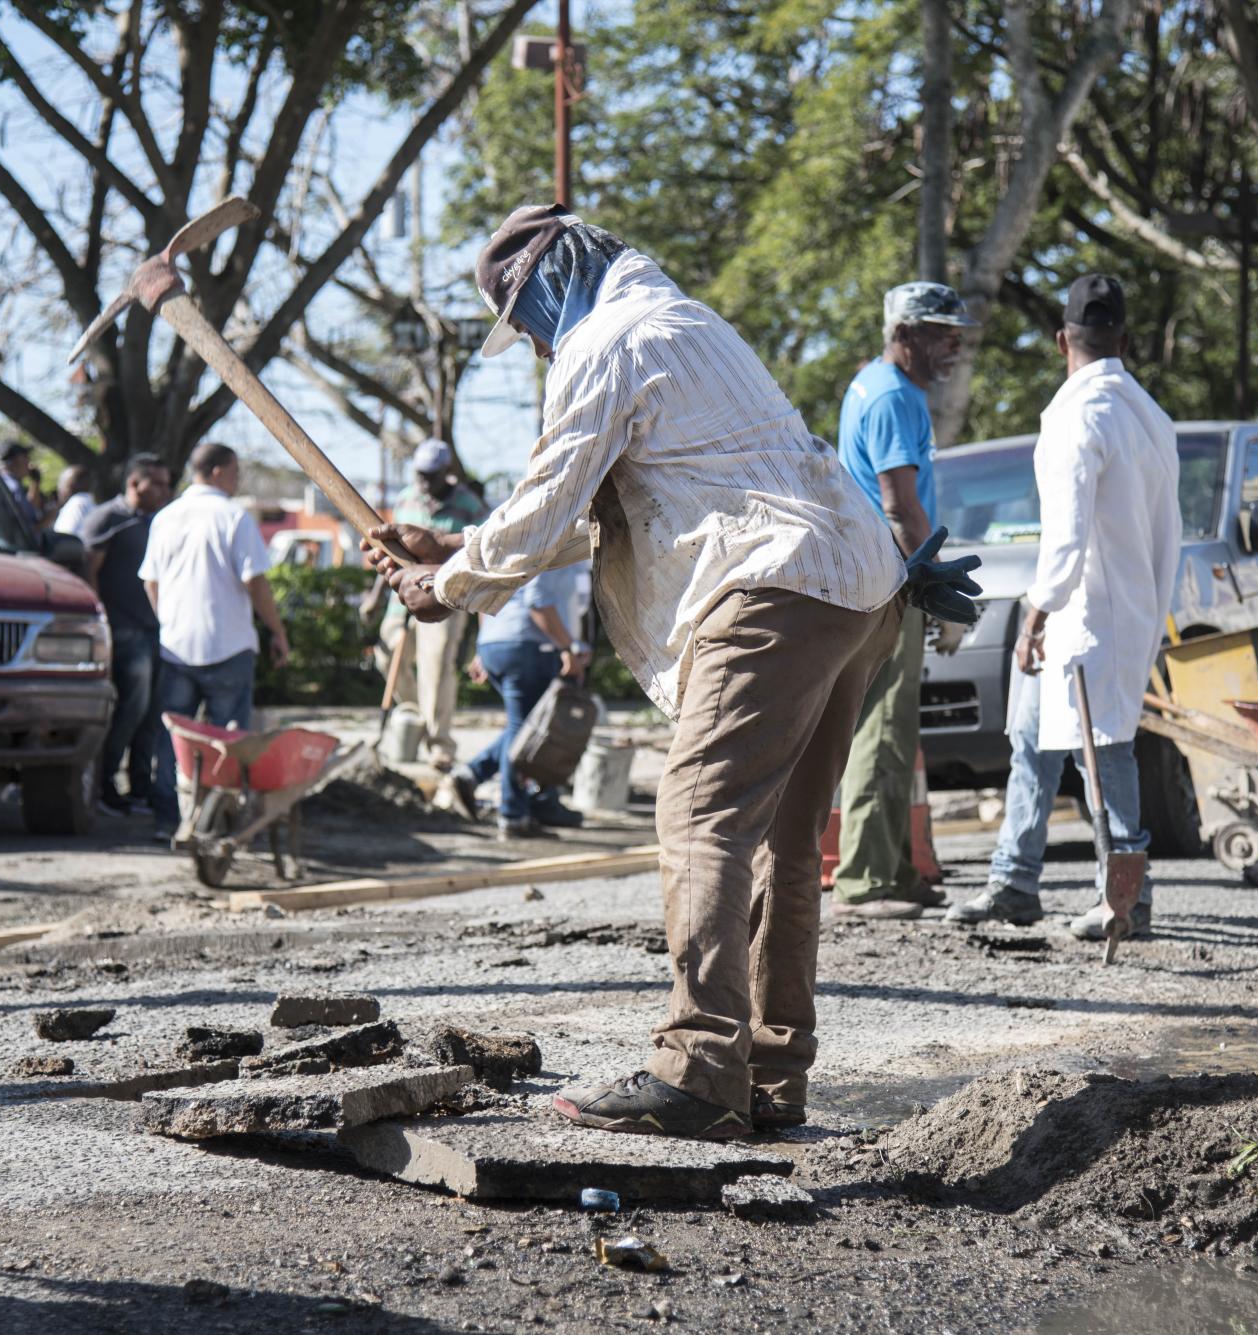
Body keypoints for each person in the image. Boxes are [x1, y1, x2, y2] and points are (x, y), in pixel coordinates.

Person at [367, 204, 973, 1141]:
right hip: (855, 585)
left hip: (774, 581)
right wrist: (452, 548)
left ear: (550, 282)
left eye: (524, 320)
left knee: (698, 812)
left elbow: (542, 502)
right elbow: (617, 501)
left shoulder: (603, 343)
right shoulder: (682, 323)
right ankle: (768, 1076)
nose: (530, 344)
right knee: (780, 840)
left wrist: (443, 585)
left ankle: (696, 1067)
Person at [945, 275, 1180, 940]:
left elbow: (1067, 533)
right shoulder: (1148, 417)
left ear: (1059, 342)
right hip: (1122, 608)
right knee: (1030, 740)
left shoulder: (1078, 417)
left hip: (1082, 613)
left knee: (1104, 754)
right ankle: (1015, 880)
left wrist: (1037, 615)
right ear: (1125, 340)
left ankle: (1128, 898)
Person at [828, 281, 974, 920]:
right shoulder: (891, 396)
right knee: (883, 728)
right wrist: (936, 580)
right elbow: (898, 503)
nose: (955, 347)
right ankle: (864, 878)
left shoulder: (881, 386)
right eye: (945, 334)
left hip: (885, 575)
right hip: (891, 577)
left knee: (894, 727)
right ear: (906, 333)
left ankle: (894, 869)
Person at [140, 443, 292, 843]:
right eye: (235, 470)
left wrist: (167, 622)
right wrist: (276, 631)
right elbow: (255, 581)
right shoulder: (233, 518)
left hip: (176, 646)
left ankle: (169, 817)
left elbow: (150, 582)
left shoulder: (165, 518)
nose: (238, 478)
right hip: (228, 646)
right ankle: (223, 820)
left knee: (175, 739)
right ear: (219, 471)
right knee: (229, 740)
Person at [450, 562, 593, 837]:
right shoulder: (554, 545)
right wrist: (569, 648)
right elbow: (538, 602)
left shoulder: (513, 542)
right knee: (524, 730)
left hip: (496, 642)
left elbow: (487, 599)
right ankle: (513, 814)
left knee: (526, 725)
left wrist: (484, 644)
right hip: (528, 643)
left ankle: (472, 775)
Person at [373, 438, 488, 771]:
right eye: (419, 474)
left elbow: (481, 554)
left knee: (435, 666)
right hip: (400, 598)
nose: (424, 481)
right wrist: (373, 596)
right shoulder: (405, 499)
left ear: (445, 472)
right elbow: (387, 552)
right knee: (387, 653)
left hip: (444, 599)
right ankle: (416, 714)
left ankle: (440, 744)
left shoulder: (469, 505)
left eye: (430, 475)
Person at [79, 454, 173, 817]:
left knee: (151, 712)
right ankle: (106, 784)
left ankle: (139, 785)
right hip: (123, 628)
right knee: (130, 709)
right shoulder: (107, 518)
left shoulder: (159, 522)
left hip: (156, 628)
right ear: (135, 484)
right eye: (158, 484)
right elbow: (89, 571)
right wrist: (100, 622)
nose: (165, 490)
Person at [0, 441, 41, 533]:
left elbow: (30, 506)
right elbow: (29, 520)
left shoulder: (0, 481)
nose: (29, 460)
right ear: (15, 460)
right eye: (25, 456)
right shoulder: (13, 486)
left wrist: (35, 482)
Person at [52, 465, 95, 536]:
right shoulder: (92, 503)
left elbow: (67, 541)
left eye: (61, 485)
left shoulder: (75, 504)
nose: (59, 490)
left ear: (69, 487)